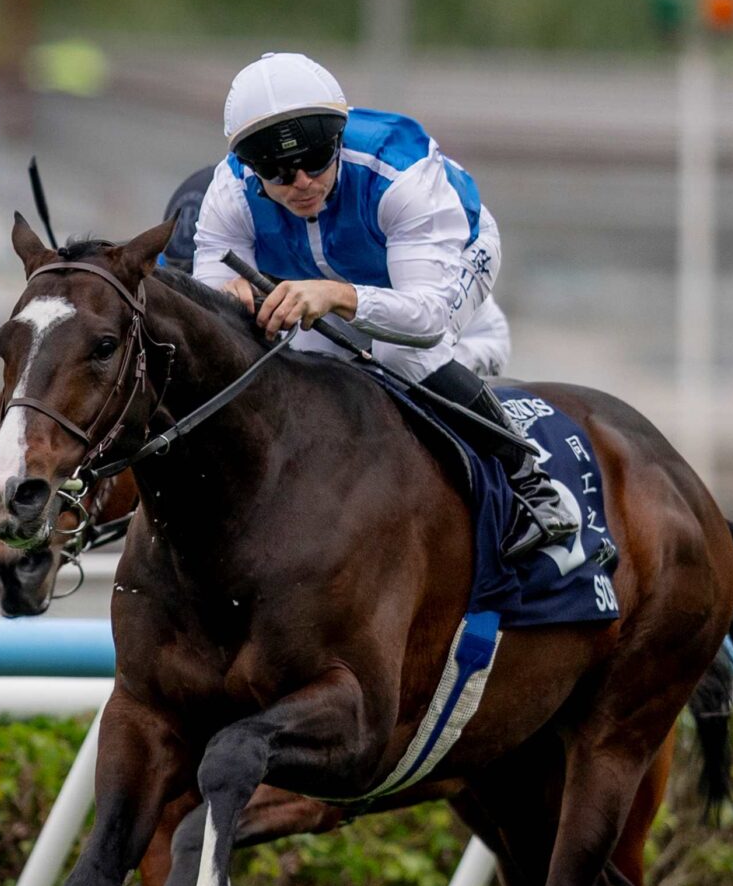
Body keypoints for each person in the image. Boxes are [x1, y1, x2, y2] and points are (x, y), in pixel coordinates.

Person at [187, 52, 575, 554]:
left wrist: (336, 294)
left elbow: (425, 319)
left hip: (448, 261)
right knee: (296, 361)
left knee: (402, 355)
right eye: (279, 172)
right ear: (249, 167)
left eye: (316, 161)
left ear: (339, 142)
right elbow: (210, 309)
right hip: (337, 274)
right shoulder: (229, 192)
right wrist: (230, 300)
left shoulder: (400, 172)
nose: (302, 182)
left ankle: (531, 482)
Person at [161, 164, 513, 378]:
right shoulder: (209, 237)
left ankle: (522, 471)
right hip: (354, 334)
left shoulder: (317, 238)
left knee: (392, 365)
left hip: (463, 336)